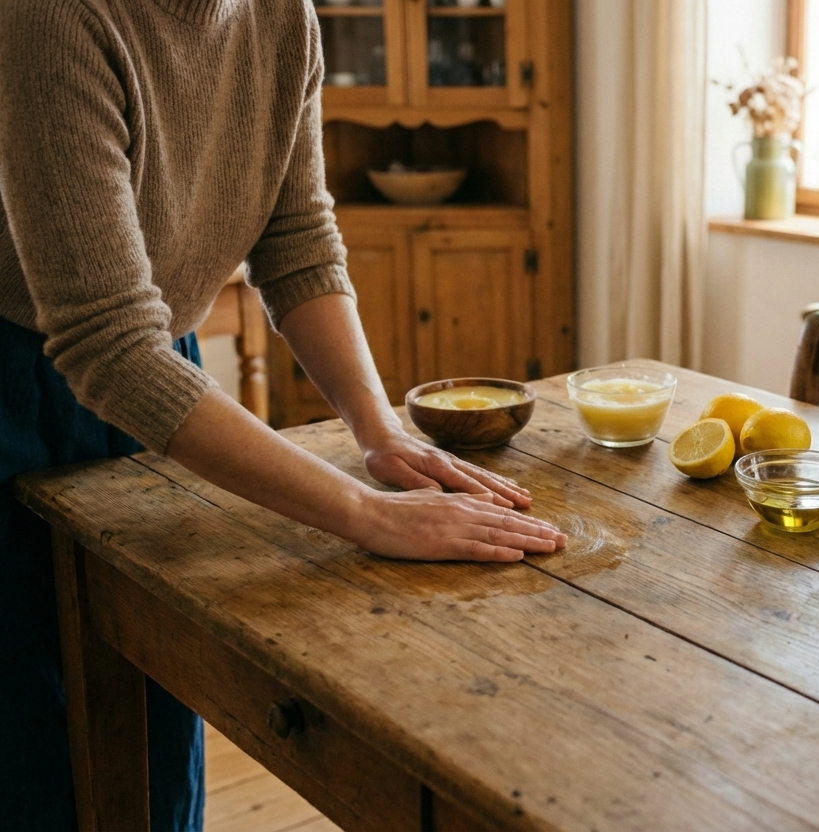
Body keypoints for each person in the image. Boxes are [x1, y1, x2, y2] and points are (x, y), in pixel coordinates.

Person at [0, 1, 567, 829]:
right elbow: (107, 345)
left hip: (156, 368)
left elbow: (296, 238)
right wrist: (363, 514)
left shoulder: (283, 15)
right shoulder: (52, 18)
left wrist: (379, 433)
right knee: (41, 760)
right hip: (24, 383)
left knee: (157, 747)